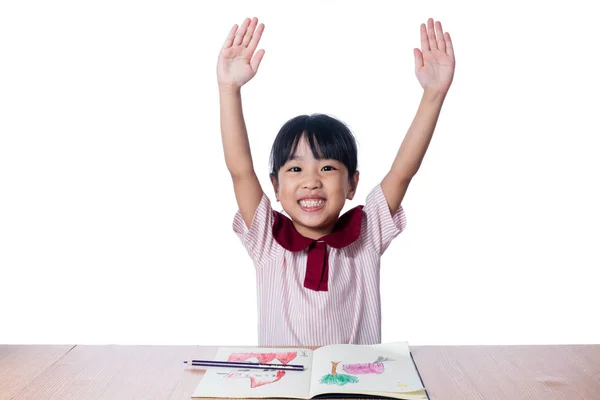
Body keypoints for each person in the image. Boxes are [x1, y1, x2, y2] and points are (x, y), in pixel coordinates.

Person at [216, 16, 455, 346]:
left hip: (357, 391)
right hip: (284, 392)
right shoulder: (267, 240)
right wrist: (229, 89)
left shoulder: (366, 235)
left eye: (327, 168)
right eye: (296, 170)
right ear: (275, 186)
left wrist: (433, 94)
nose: (312, 181)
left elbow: (402, 171)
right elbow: (240, 171)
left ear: (352, 184)